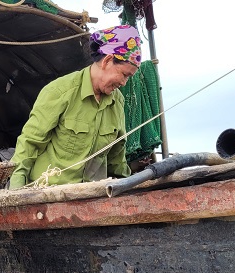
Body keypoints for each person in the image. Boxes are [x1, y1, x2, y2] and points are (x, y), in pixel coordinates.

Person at [8, 25, 141, 189]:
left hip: (92, 197)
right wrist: (15, 191)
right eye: (124, 74)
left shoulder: (117, 102)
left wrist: (127, 187)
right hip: (47, 195)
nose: (124, 83)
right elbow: (29, 144)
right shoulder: (59, 91)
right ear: (107, 60)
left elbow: (116, 157)